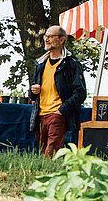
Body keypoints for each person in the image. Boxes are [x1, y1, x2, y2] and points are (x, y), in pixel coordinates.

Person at [29, 25, 87, 158]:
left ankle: (49, 175)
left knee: (51, 153)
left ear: (62, 40)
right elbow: (32, 93)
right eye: (46, 36)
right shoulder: (41, 64)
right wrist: (33, 91)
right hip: (40, 115)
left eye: (50, 36)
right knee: (45, 153)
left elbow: (80, 92)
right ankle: (50, 174)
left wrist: (61, 111)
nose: (46, 39)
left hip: (57, 115)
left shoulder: (71, 63)